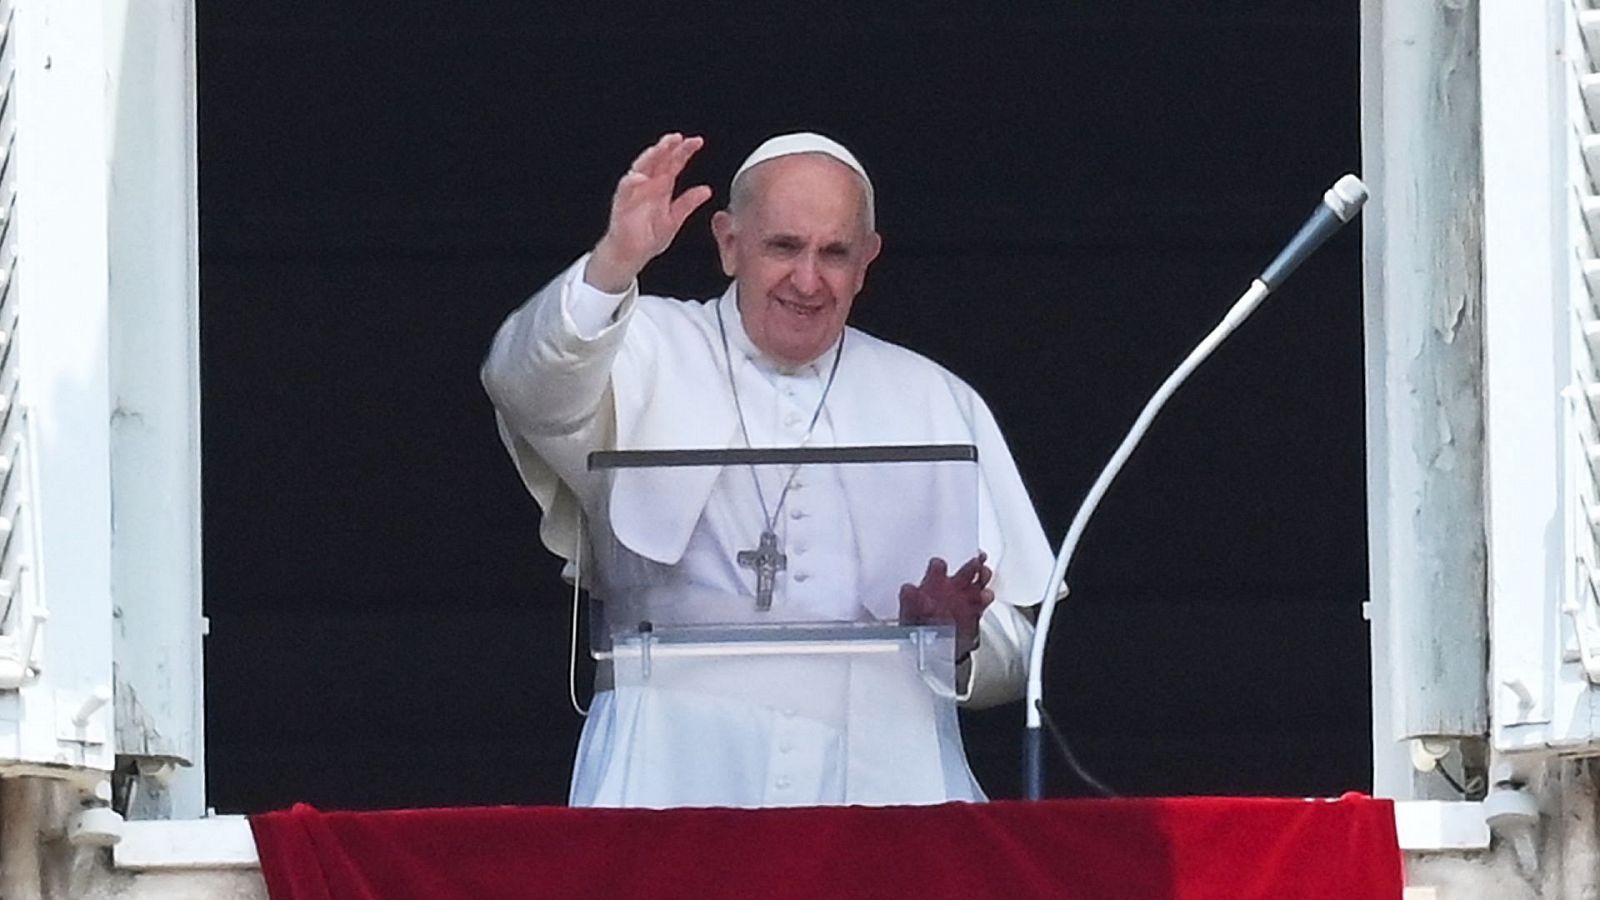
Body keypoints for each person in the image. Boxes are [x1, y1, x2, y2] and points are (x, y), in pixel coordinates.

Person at [482, 131, 1055, 808]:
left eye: (835, 253)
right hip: (671, 766)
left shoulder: (933, 397)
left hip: (885, 774)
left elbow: (1018, 651)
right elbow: (522, 383)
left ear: (867, 261)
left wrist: (955, 641)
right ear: (729, 243)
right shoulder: (643, 348)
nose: (808, 280)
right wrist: (613, 264)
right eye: (783, 246)